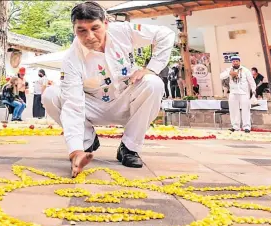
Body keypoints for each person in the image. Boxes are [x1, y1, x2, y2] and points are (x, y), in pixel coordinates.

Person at [42, 1, 174, 178]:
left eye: (95, 28)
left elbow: (165, 34)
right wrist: (75, 150)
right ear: (74, 30)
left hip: (127, 101)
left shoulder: (123, 31)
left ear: (106, 23)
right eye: (82, 30)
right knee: (50, 95)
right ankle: (86, 140)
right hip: (92, 107)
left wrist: (151, 68)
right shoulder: (71, 59)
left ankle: (128, 148)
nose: (90, 36)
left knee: (154, 83)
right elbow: (72, 105)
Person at [220, 56, 256, 133]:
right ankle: (235, 126)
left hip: (244, 93)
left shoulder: (245, 70)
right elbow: (221, 76)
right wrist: (229, 73)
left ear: (239, 62)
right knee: (233, 110)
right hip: (233, 93)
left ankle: (246, 127)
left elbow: (251, 81)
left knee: (245, 110)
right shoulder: (229, 70)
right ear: (232, 62)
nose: (235, 63)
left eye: (237, 61)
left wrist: (253, 91)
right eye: (234, 61)